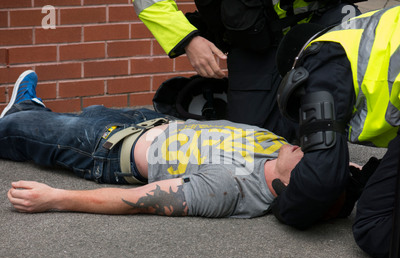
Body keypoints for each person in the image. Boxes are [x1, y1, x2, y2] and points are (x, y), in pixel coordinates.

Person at [1, 70, 305, 218]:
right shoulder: (278, 147)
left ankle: (22, 114)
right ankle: (32, 109)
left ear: (294, 185)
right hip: (149, 120)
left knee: (12, 130)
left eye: (308, 159)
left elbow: (137, 200)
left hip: (108, 147)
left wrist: (54, 198)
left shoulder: (227, 188)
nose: (305, 148)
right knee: (67, 118)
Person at [272, 5, 400, 258]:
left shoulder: (320, 56)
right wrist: (359, 183)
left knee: (374, 226)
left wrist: (285, 203)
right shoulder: (363, 36)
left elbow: (319, 181)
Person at [131, 0, 364, 140]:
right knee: (251, 145)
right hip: (253, 40)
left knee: (322, 132)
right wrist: (187, 39)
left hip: (319, 25)